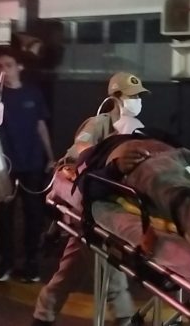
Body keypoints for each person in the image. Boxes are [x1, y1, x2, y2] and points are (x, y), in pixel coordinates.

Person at [32, 72, 148, 326]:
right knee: (109, 265)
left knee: (70, 268)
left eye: (139, 96)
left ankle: (43, 315)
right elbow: (79, 150)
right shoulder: (97, 124)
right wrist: (103, 155)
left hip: (112, 205)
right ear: (116, 97)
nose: (137, 101)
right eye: (132, 96)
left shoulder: (136, 129)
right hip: (90, 205)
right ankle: (125, 317)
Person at [0, 49, 55, 283]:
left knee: (33, 213)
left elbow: (41, 125)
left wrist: (50, 156)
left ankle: (31, 261)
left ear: (19, 67)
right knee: (4, 215)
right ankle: (6, 261)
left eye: (8, 65)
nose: (3, 70)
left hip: (32, 162)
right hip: (4, 164)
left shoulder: (32, 93)